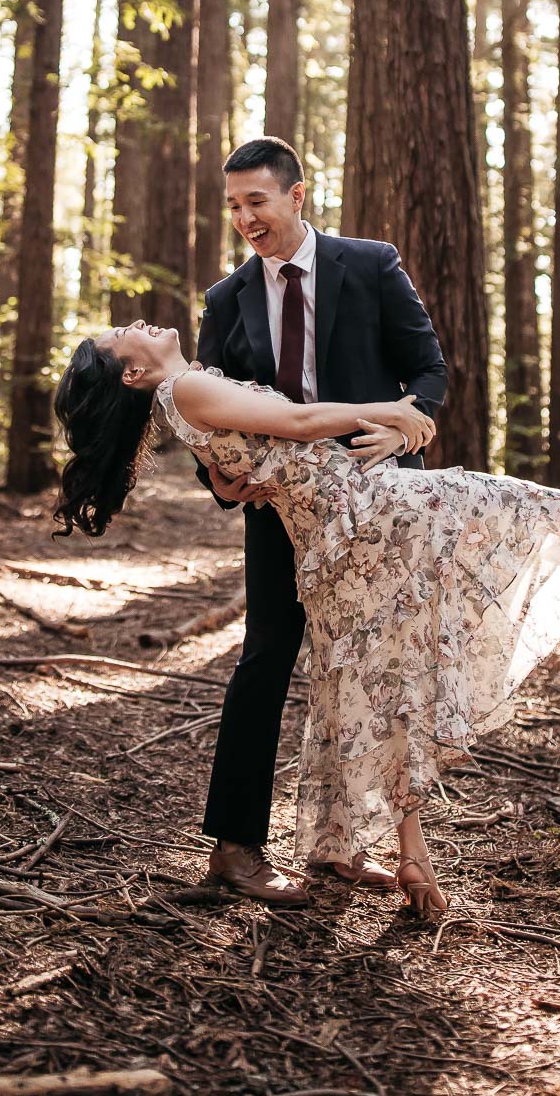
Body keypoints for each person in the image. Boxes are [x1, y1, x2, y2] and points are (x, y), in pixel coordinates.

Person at [52, 323, 560, 918]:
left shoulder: (184, 400)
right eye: (122, 333)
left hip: (331, 535)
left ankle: (388, 846)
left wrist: (238, 481)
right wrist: (394, 411)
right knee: (517, 503)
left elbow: (234, 472)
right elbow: (306, 421)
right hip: (367, 508)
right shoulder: (189, 386)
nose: (135, 322)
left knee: (373, 678)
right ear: (133, 372)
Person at [190, 137, 447, 904]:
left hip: (376, 505)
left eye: (256, 201)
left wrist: (408, 425)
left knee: (368, 669)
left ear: (297, 196)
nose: (244, 218)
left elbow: (428, 368)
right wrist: (220, 480)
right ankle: (234, 848)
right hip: (279, 512)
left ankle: (339, 846)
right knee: (267, 658)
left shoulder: (369, 264)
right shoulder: (223, 299)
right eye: (233, 205)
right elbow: (208, 421)